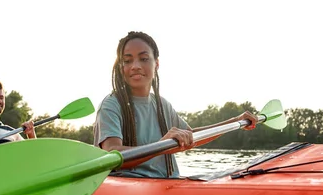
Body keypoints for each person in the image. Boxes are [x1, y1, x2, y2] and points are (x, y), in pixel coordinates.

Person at [93, 31, 259, 179]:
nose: (135, 66)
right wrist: (161, 146)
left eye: (143, 59)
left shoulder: (162, 105)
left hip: (166, 184)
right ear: (120, 67)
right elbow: (111, 154)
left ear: (156, 64)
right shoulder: (111, 105)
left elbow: (191, 135)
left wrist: (234, 121)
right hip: (128, 190)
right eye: (127, 61)